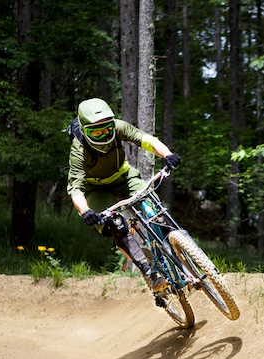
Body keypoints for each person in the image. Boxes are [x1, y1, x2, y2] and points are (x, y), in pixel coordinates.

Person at [66, 97, 181, 292]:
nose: (103, 134)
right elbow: (75, 188)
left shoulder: (118, 126)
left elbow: (145, 139)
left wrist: (167, 154)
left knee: (152, 207)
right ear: (85, 130)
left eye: (106, 129)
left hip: (123, 178)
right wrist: (85, 210)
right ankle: (149, 272)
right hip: (96, 189)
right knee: (115, 225)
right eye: (96, 131)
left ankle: (178, 248)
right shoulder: (79, 150)